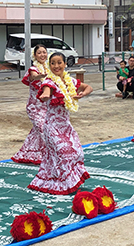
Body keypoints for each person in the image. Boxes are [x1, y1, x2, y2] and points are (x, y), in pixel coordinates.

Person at [27, 52, 92, 195]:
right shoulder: (49, 81)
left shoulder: (71, 81)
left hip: (65, 125)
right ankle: (60, 182)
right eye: (53, 63)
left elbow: (88, 87)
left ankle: (65, 179)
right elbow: (46, 91)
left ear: (65, 64)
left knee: (77, 152)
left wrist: (82, 94)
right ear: (49, 65)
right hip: (52, 126)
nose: (56, 66)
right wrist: (45, 95)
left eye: (59, 62)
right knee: (62, 152)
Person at [12, 45, 48, 164]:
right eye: (39, 53)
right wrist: (40, 76)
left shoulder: (50, 68)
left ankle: (28, 155)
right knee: (43, 129)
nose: (42, 55)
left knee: (36, 133)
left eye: (44, 52)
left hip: (46, 106)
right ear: (35, 55)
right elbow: (33, 76)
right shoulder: (33, 69)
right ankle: (51, 156)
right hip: (35, 108)